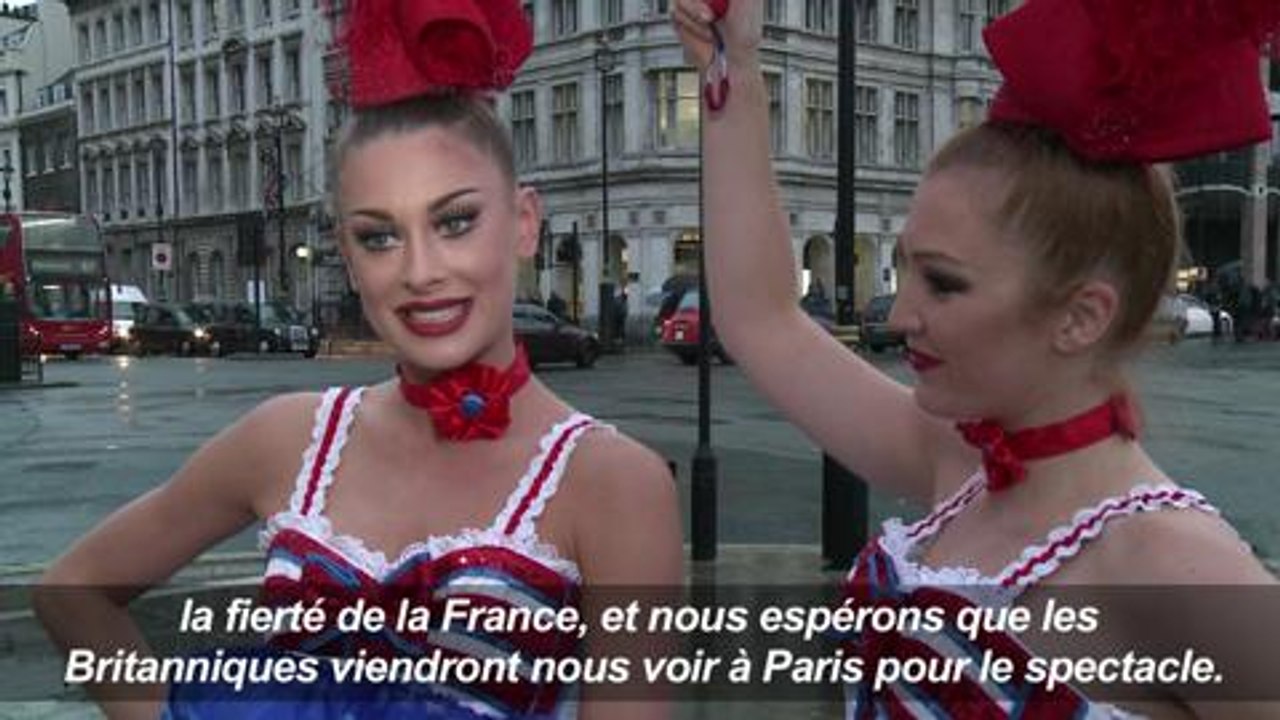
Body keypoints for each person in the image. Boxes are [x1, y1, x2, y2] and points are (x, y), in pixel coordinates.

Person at [35, 2, 681, 719]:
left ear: (524, 223)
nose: (421, 270)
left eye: (455, 221)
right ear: (345, 254)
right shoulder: (285, 439)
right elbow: (74, 590)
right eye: (379, 237)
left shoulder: (615, 484)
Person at [675, 0, 1277, 717]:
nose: (899, 317)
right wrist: (733, 70)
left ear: (1081, 316)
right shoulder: (956, 464)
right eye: (904, 272)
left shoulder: (1181, 571)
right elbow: (761, 318)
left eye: (944, 283)